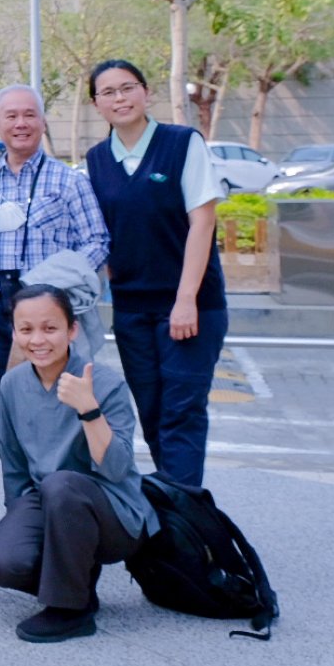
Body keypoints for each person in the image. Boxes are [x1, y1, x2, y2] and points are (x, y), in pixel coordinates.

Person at [0, 284, 156, 643]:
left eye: (50, 328)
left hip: (111, 512)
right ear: (14, 332)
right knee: (2, 561)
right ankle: (77, 586)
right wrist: (21, 522)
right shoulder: (11, 384)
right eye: (26, 329)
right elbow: (13, 464)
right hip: (50, 500)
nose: (38, 339)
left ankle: (70, 611)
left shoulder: (105, 383)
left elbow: (118, 469)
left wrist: (89, 410)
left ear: (72, 330)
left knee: (62, 484)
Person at [84, 59, 227, 488]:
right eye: (108, 92)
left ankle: (181, 521)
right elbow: (102, 237)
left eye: (127, 88)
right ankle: (179, 510)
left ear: (146, 93)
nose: (120, 98)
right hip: (132, 309)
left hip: (190, 306)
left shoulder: (182, 143)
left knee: (182, 413)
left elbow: (203, 222)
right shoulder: (96, 160)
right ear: (97, 104)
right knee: (152, 410)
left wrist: (185, 300)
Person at [0, 85, 109, 448]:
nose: (21, 123)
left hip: (47, 313)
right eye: (11, 116)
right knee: (5, 407)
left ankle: (56, 497)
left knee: (53, 409)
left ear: (43, 121)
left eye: (29, 115)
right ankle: (17, 500)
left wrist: (57, 283)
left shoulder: (69, 181)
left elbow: (97, 241)